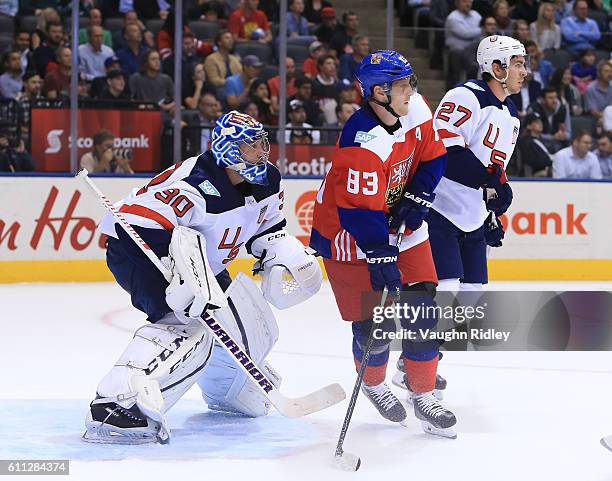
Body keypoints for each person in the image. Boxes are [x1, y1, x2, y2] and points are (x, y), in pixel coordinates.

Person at [83, 111, 322, 444]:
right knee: (185, 325)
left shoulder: (268, 179)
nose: (263, 152)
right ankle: (116, 405)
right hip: (141, 252)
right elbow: (132, 226)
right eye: (252, 146)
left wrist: (284, 253)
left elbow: (268, 227)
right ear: (228, 150)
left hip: (202, 261)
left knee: (246, 327)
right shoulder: (191, 186)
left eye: (263, 143)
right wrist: (180, 278)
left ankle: (228, 392)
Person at [309, 50, 456, 437]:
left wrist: (419, 196)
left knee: (422, 307)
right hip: (350, 236)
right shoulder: (361, 141)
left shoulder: (416, 107)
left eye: (410, 82)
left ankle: (423, 393)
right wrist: (380, 253)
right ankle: (373, 382)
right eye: (403, 85)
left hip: (393, 222)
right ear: (378, 92)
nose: (412, 90)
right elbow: (359, 211)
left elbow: (434, 157)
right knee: (374, 322)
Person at [426, 36, 527, 296]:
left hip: (475, 219)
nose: (524, 72)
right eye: (517, 64)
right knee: (444, 294)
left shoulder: (511, 114)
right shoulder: (465, 95)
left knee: (474, 295)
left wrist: (492, 211)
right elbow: (445, 152)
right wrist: (490, 181)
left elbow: (494, 167)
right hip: (441, 212)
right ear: (497, 68)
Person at [445, 0, 482, 87]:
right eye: (464, 1)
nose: (468, 4)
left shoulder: (476, 15)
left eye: (470, 2)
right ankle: (455, 85)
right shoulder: (453, 17)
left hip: (473, 50)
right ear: (457, 3)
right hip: (457, 50)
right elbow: (465, 33)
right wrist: (481, 30)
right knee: (458, 52)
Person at [529, 87, 570, 153]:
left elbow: (569, 133)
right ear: (543, 100)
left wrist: (563, 135)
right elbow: (532, 134)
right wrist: (552, 137)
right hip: (539, 147)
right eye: (550, 98)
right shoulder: (534, 109)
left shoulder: (562, 109)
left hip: (559, 146)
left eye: (555, 97)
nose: (554, 101)